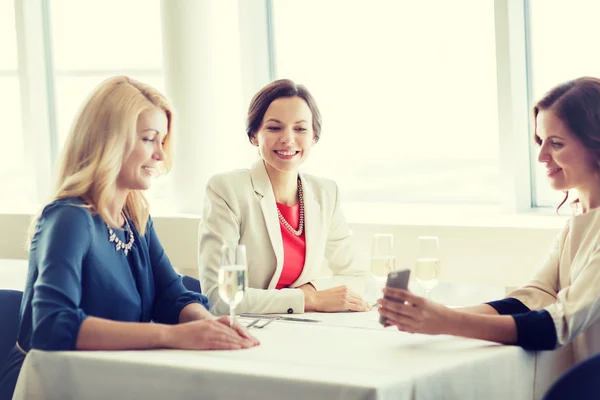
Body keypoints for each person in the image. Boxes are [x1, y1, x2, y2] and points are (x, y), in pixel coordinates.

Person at [0, 76, 259, 400]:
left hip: (111, 373)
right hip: (51, 382)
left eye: (162, 141)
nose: (161, 156)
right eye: (149, 139)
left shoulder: (135, 215)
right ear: (108, 142)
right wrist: (173, 336)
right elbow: (53, 325)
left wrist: (207, 326)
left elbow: (172, 295)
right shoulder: (68, 218)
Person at [378, 76, 600, 362]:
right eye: (540, 141)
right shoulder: (578, 221)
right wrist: (430, 314)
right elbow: (533, 297)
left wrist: (445, 321)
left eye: (556, 144)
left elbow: (556, 326)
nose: (542, 156)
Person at [198, 79, 370, 315]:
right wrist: (308, 299)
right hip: (249, 331)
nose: (288, 139)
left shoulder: (326, 193)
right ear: (254, 136)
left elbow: (358, 277)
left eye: (300, 129)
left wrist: (312, 289)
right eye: (274, 127)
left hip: (307, 330)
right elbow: (219, 297)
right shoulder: (227, 190)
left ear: (314, 137)